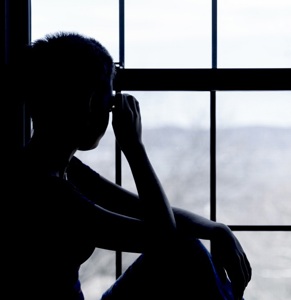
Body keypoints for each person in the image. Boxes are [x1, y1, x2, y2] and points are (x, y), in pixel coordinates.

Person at [7, 31, 251, 300]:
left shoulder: (60, 168)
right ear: (90, 102)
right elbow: (162, 237)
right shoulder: (46, 190)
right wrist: (134, 148)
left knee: (187, 247)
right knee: (182, 249)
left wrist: (217, 229)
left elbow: (139, 208)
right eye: (108, 99)